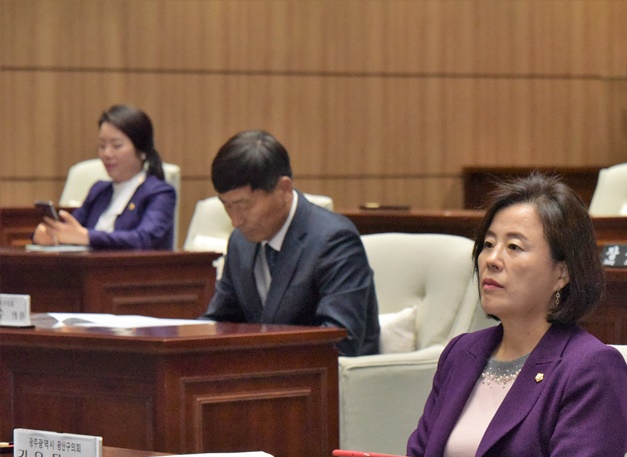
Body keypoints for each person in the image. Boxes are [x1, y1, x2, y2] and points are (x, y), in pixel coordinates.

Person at [407, 174, 627, 457]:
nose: (491, 260)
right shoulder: (462, 353)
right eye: (487, 244)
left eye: (514, 247)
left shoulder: (590, 369)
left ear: (562, 273)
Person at [200, 130, 379, 357]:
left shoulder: (334, 240)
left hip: (327, 384)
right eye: (227, 206)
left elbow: (339, 341)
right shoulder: (240, 242)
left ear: (284, 189)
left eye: (244, 206)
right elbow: (221, 320)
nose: (235, 220)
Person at [32, 105, 177, 250]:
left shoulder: (160, 193)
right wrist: (50, 235)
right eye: (102, 146)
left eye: (117, 145)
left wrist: (87, 237)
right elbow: (72, 230)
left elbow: (143, 239)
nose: (107, 154)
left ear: (142, 151)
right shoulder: (99, 190)